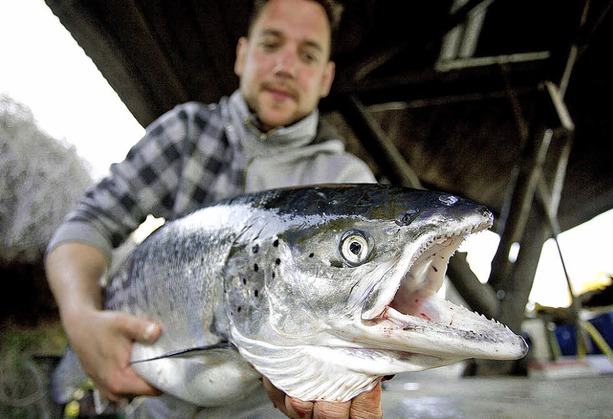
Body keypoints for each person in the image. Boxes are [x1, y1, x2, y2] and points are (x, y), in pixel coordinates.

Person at [45, 0, 383, 417]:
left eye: (308, 54)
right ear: (242, 54)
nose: (286, 66)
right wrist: (80, 318)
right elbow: (89, 222)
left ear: (325, 77)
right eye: (271, 44)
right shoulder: (186, 132)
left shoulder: (348, 187)